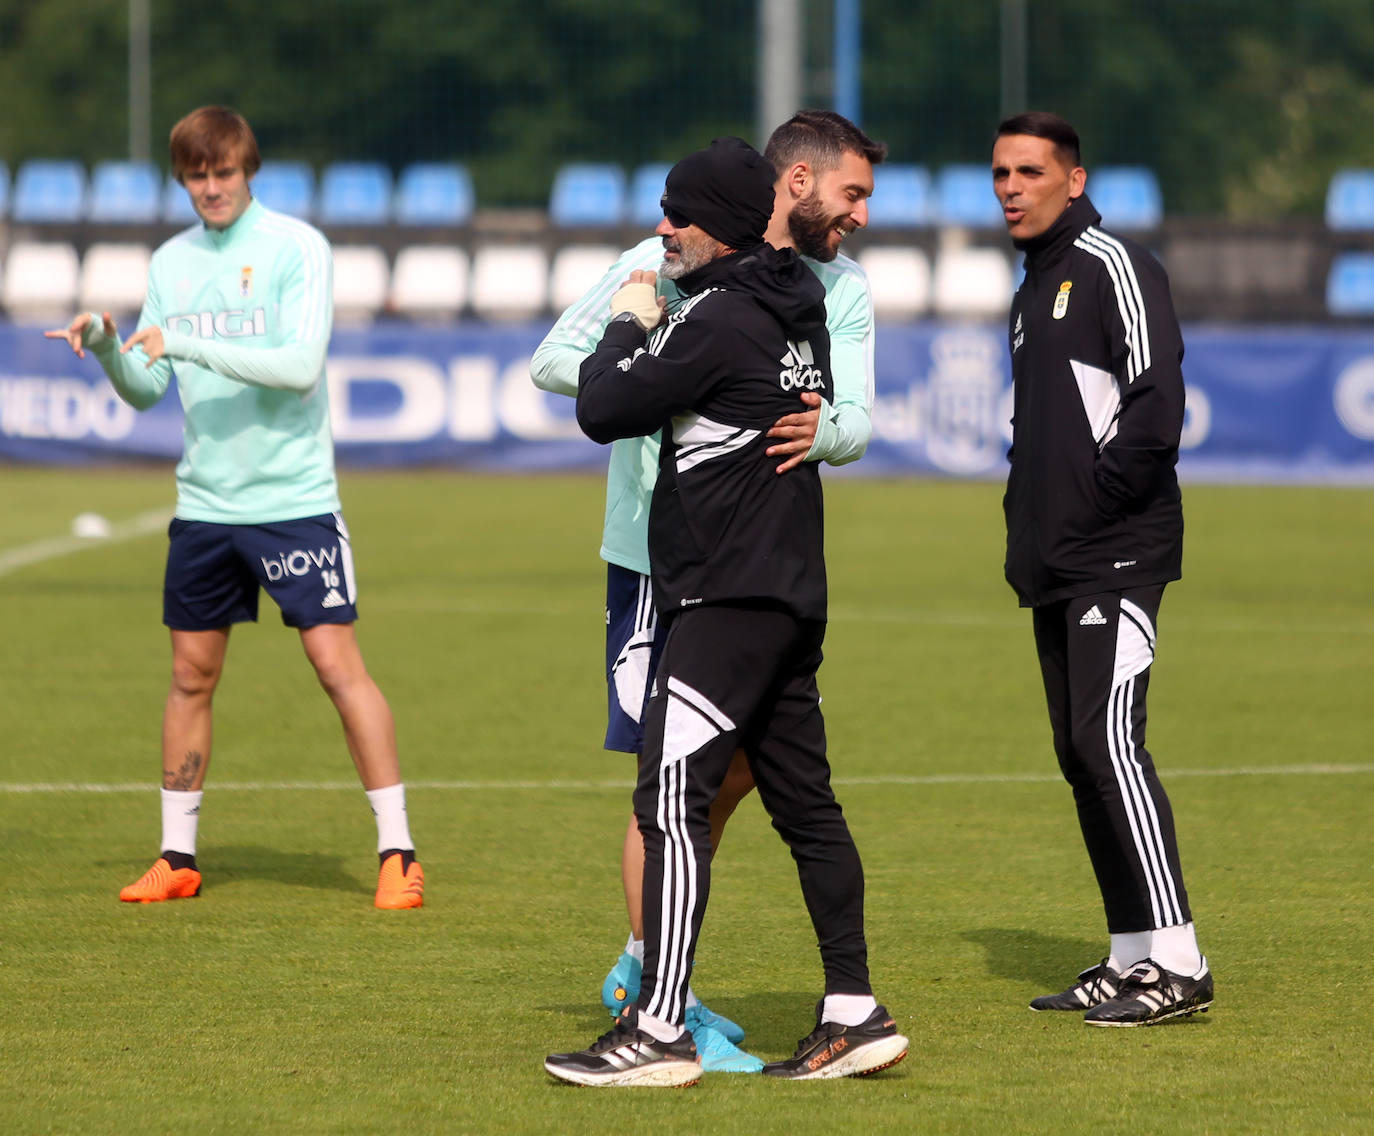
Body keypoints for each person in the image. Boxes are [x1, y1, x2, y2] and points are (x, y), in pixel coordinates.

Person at [543, 136, 907, 1088]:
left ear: (719, 225)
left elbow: (602, 406)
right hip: (789, 593)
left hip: (724, 595)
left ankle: (659, 1032)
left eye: (676, 216)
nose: (663, 231)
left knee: (669, 801)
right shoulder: (797, 311)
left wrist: (628, 319)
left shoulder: (717, 320)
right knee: (808, 810)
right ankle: (853, 1010)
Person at [44, 106, 423, 911]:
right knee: (190, 675)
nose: (211, 188)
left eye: (223, 172)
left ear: (248, 169)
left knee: (335, 667)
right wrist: (113, 345)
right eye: (196, 176)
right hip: (205, 504)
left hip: (294, 502)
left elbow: (296, 366)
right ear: (181, 179)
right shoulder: (171, 263)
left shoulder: (296, 246)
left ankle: (398, 851)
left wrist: (180, 342)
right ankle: (177, 855)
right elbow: (148, 389)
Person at [990, 111, 1211, 1025]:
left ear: (1073, 181)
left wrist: (1090, 510)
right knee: (1080, 752)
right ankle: (1130, 957)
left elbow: (1157, 411)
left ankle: (1180, 959)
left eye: (1030, 171)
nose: (1011, 186)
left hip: (1115, 552)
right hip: (1056, 560)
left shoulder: (1116, 267)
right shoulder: (1030, 284)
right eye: (1000, 172)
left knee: (1111, 742)